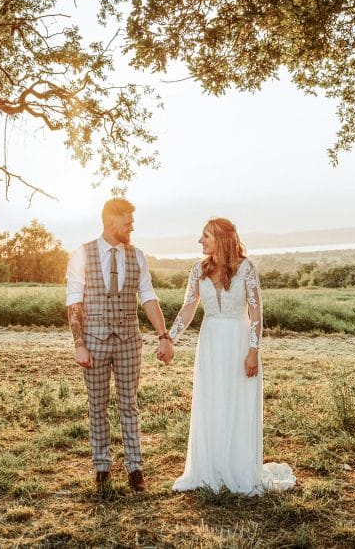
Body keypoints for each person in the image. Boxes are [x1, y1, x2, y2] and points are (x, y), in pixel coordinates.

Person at [167, 217, 295, 495]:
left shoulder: (247, 268)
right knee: (212, 400)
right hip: (211, 340)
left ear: (222, 239)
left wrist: (253, 351)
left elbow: (256, 313)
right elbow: (189, 306)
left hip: (239, 340)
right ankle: (209, 468)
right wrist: (170, 337)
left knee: (237, 402)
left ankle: (237, 468)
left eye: (205, 236)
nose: (200, 241)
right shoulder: (198, 269)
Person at [65, 198, 174, 492]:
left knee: (129, 405)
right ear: (112, 222)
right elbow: (74, 302)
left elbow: (148, 298)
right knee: (97, 406)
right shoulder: (82, 255)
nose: (132, 227)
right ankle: (102, 468)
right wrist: (79, 344)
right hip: (94, 342)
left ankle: (135, 469)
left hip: (129, 341)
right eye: (128, 222)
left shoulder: (137, 256)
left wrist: (163, 336)